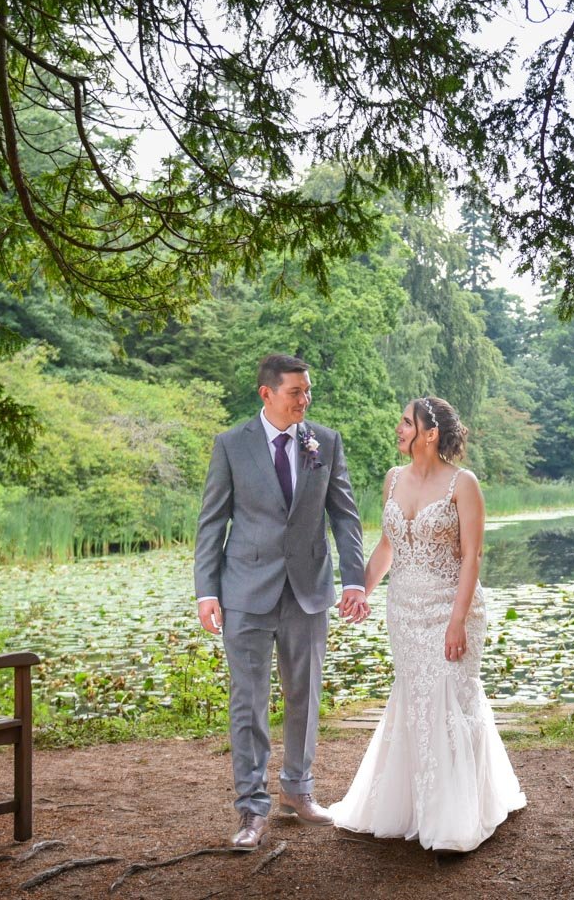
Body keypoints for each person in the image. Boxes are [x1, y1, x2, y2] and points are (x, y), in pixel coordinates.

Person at [330, 396, 525, 851]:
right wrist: (360, 590)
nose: (398, 429)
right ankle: (418, 806)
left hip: (451, 607)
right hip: (405, 610)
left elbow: (472, 557)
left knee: (451, 697)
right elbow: (387, 547)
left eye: (405, 422)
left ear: (429, 433)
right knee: (416, 701)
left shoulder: (463, 484)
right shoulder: (392, 480)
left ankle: (458, 814)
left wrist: (457, 620)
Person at [193, 353, 368, 851]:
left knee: (304, 696)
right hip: (245, 592)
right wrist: (207, 590)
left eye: (308, 391)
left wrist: (353, 580)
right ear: (266, 393)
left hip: (308, 591)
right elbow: (212, 522)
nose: (305, 399)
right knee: (248, 701)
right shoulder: (230, 446)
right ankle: (251, 809)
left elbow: (346, 517)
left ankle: (299, 789)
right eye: (296, 392)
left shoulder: (325, 442)